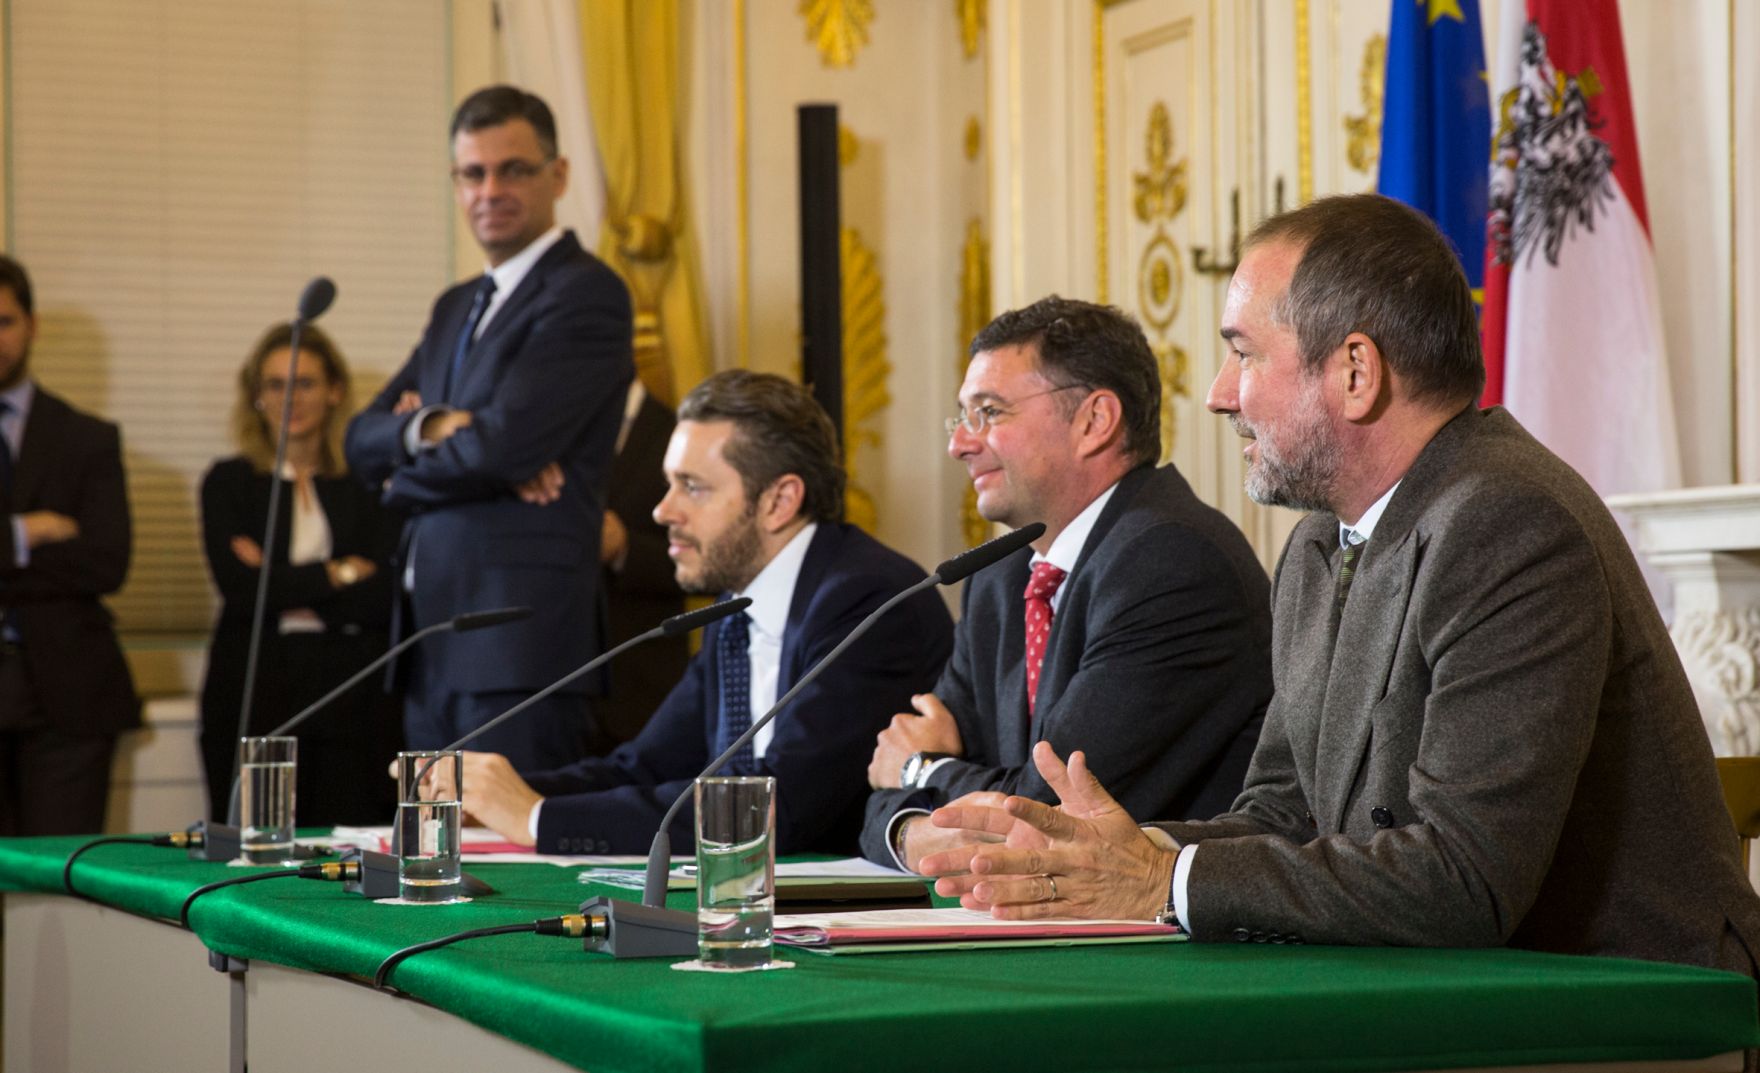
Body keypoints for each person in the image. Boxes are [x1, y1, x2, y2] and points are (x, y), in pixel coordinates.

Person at [922, 194, 1760, 977]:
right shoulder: (1321, 542)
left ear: (1356, 371)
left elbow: (1464, 879)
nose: (1219, 395)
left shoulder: (1509, 520)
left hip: (1629, 993)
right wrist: (1087, 849)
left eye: (1244, 352)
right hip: (1459, 984)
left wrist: (1162, 878)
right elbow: (1282, 818)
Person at [452, 370, 955, 855]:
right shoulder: (736, 607)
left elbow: (781, 806)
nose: (662, 511)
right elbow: (645, 769)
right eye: (670, 484)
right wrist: (488, 796)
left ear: (779, 501)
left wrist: (538, 818)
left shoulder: (870, 601)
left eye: (692, 487)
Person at [859, 296, 1271, 873]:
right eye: (963, 417)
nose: (960, 443)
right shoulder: (998, 576)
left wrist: (919, 773)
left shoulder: (1172, 561)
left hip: (1166, 937)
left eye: (990, 412)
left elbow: (1053, 807)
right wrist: (907, 830)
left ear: (1094, 421)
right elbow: (878, 803)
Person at [344, 85, 633, 771]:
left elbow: (501, 446)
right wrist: (437, 427)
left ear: (558, 175)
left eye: (514, 169)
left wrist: (412, 463)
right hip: (428, 643)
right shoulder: (454, 307)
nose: (490, 189)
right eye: (473, 173)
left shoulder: (585, 292)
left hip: (519, 648)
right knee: (426, 870)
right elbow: (359, 439)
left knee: (512, 873)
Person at [198, 324, 403, 826]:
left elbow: (384, 598)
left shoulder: (370, 484)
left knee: (350, 847)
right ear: (256, 396)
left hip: (353, 699)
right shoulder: (230, 483)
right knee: (255, 856)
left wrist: (280, 579)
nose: (291, 400)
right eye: (274, 385)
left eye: (306, 384)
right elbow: (242, 590)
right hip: (254, 692)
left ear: (334, 391)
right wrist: (342, 571)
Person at [0, 254, 139, 835]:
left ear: (32, 325)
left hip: (68, 699)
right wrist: (25, 532)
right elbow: (72, 564)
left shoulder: (87, 439)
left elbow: (106, 561)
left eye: (4, 321)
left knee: (62, 896)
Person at [593, 379, 686, 752]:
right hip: (556, 689)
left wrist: (624, 548)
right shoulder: (550, 430)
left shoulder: (677, 432)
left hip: (639, 685)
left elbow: (717, 558)